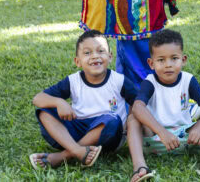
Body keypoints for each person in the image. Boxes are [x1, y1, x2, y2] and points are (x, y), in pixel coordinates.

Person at [126, 30, 200, 181]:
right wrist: (162, 132)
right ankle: (140, 166)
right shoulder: (150, 82)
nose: (168, 65)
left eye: (174, 58)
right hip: (155, 139)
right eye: (161, 60)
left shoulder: (188, 80)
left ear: (183, 59)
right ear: (151, 63)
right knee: (133, 118)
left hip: (187, 139)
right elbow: (137, 107)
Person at [30, 30, 136, 170]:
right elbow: (38, 98)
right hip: (77, 129)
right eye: (87, 53)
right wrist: (59, 102)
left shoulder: (119, 81)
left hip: (107, 134)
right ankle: (78, 150)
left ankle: (62, 157)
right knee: (44, 112)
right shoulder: (73, 81)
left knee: (112, 119)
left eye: (101, 51)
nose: (95, 56)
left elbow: (138, 103)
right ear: (77, 61)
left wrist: (130, 121)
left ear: (110, 57)